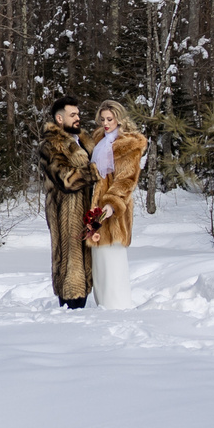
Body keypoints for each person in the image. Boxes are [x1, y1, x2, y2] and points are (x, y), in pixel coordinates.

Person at [87, 99, 148, 311]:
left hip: (114, 210)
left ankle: (118, 307)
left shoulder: (127, 145)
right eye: (102, 119)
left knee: (113, 259)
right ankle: (102, 305)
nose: (105, 123)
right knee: (99, 261)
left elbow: (127, 179)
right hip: (96, 207)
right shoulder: (98, 141)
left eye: (110, 119)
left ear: (119, 119)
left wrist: (112, 203)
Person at [39, 97, 97, 309]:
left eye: (78, 114)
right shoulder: (50, 146)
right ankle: (69, 306)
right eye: (73, 115)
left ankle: (82, 301)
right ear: (59, 118)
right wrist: (93, 172)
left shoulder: (85, 141)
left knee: (87, 261)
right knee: (70, 263)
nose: (78, 118)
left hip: (89, 212)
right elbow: (66, 179)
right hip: (66, 211)